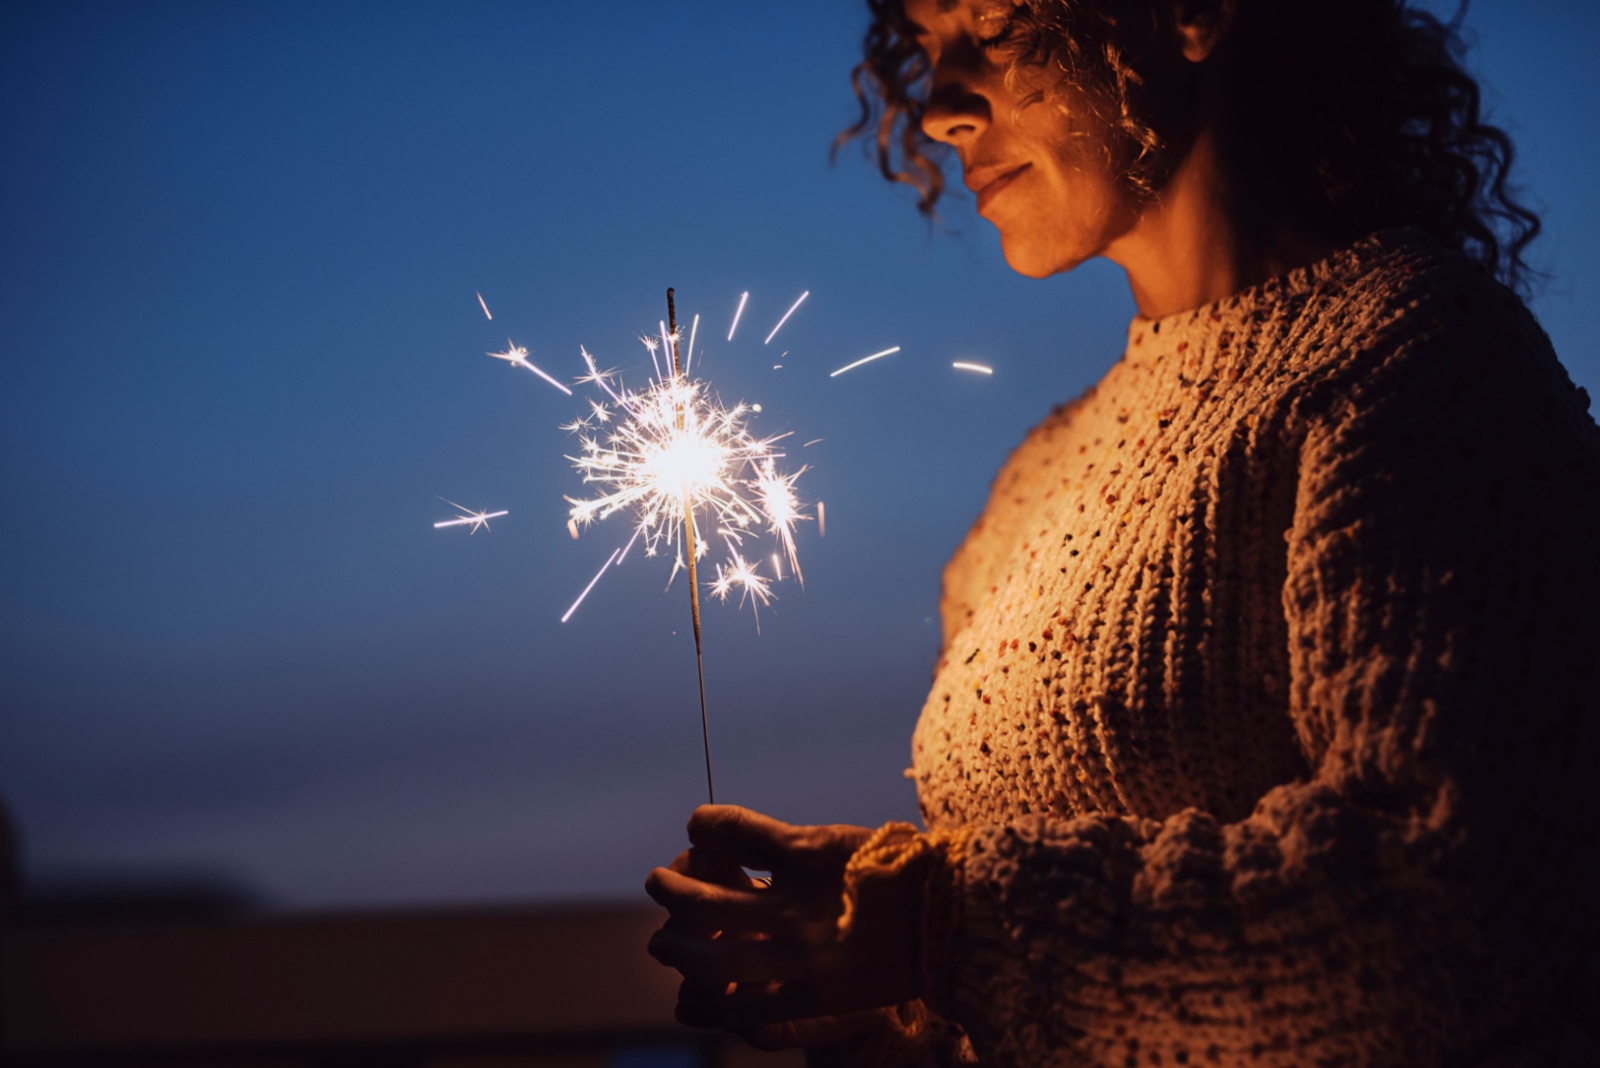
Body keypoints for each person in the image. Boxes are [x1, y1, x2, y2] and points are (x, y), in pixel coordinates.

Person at [646, 0, 1600, 1063]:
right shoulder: (1037, 480)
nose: (939, 106)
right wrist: (884, 1000)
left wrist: (936, 931)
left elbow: (1452, 907)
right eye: (923, 50)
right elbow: (1058, 997)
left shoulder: (1416, 368)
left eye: (995, 25)